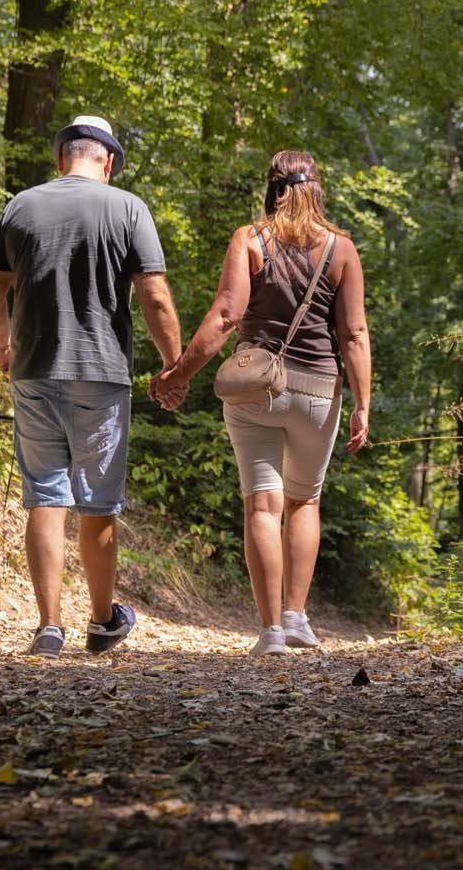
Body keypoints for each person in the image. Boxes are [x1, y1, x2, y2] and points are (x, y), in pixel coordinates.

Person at [0, 114, 182, 658]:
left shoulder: (21, 205)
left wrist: (4, 344)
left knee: (46, 497)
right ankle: (100, 621)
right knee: (98, 504)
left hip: (35, 371)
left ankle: (48, 627)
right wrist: (173, 365)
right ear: (108, 161)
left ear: (61, 158)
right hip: (102, 373)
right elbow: (156, 297)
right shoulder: (127, 207)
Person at [152, 150, 371, 656]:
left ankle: (270, 631)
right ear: (317, 188)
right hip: (319, 389)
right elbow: (355, 334)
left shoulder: (251, 240)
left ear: (271, 188)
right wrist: (362, 403)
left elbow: (226, 317)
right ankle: (297, 617)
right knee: (304, 500)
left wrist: (177, 375)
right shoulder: (341, 249)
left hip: (255, 387)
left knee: (262, 504)